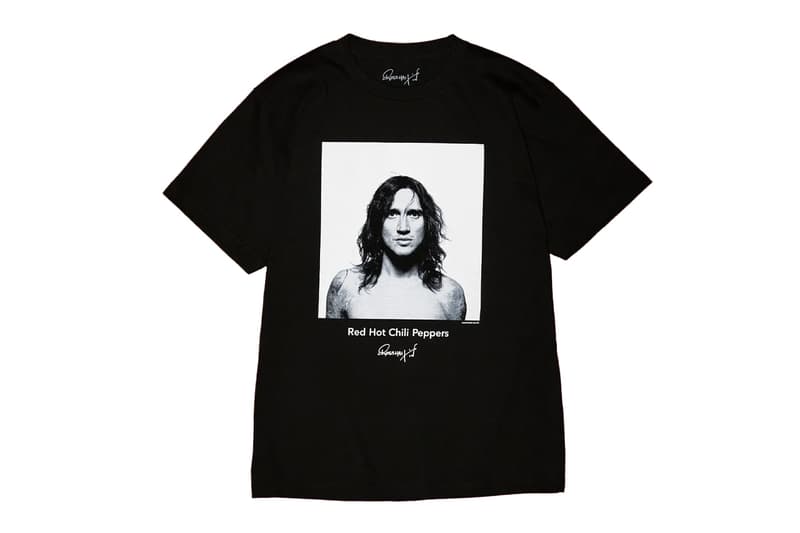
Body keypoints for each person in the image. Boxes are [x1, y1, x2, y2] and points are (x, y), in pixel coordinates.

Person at [326, 175, 466, 320]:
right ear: (377, 222)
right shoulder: (346, 285)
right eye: (392, 214)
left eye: (413, 214)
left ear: (427, 223)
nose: (403, 228)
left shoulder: (449, 293)